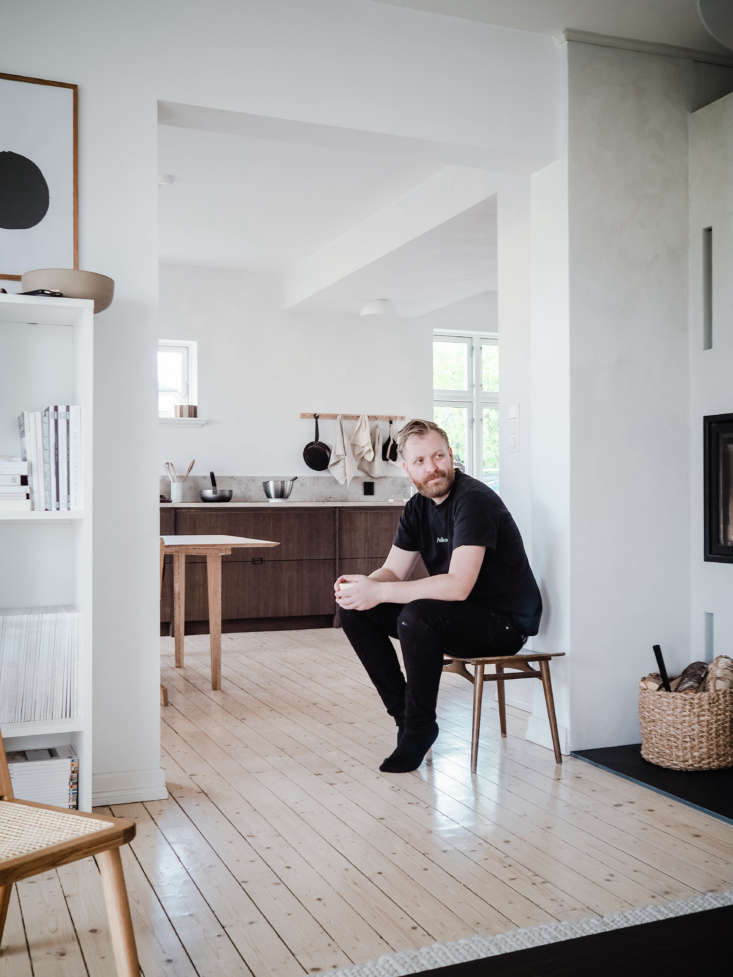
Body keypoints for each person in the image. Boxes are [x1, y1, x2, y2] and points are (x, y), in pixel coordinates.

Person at [335, 418, 542, 773]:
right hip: (455, 617)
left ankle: (418, 727)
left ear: (450, 454)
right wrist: (363, 587)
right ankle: (406, 719)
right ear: (407, 468)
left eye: (439, 456)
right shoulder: (417, 507)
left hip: (503, 625)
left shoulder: (473, 501)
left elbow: (458, 585)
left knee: (417, 616)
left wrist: (379, 590)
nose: (432, 467)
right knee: (354, 610)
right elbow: (393, 571)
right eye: (420, 461)